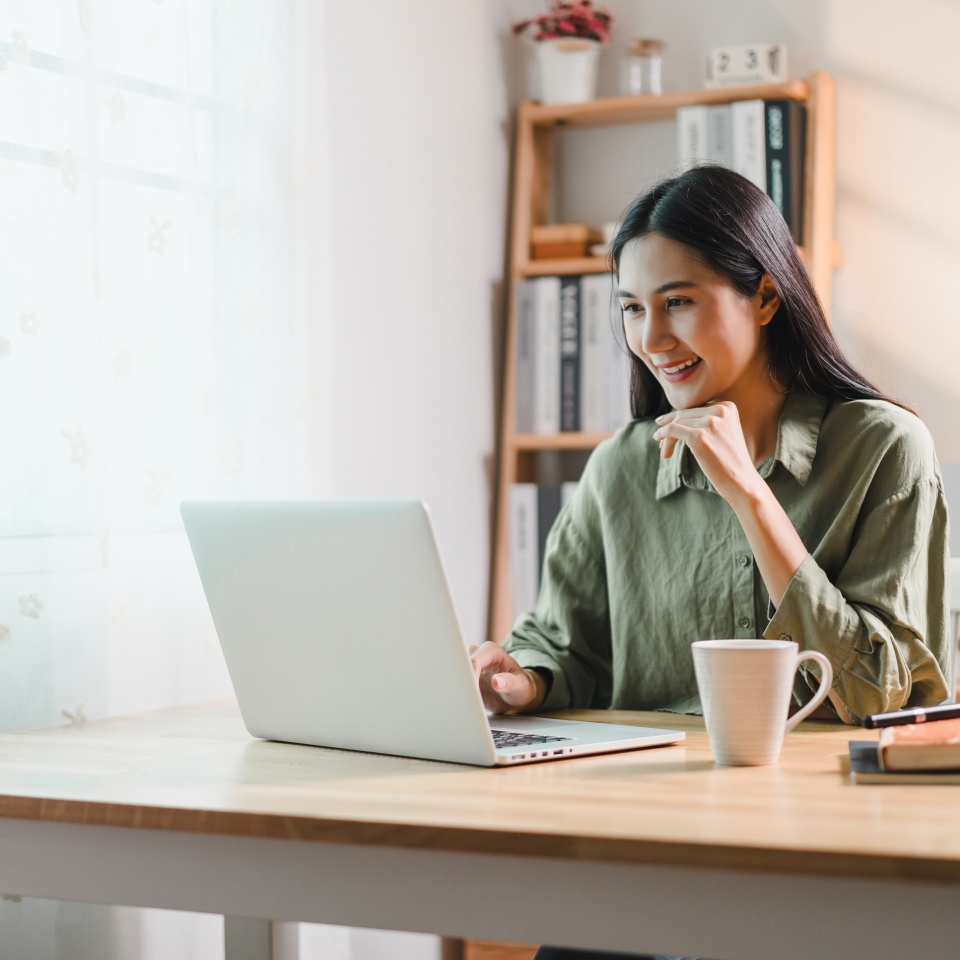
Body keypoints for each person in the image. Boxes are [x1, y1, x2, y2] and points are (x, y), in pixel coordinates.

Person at [471, 165, 953, 960]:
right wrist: (521, 679)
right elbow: (565, 643)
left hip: (822, 842)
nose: (652, 339)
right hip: (643, 827)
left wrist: (751, 499)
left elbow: (885, 693)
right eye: (632, 308)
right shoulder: (621, 465)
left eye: (679, 302)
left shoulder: (882, 448)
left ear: (765, 297)